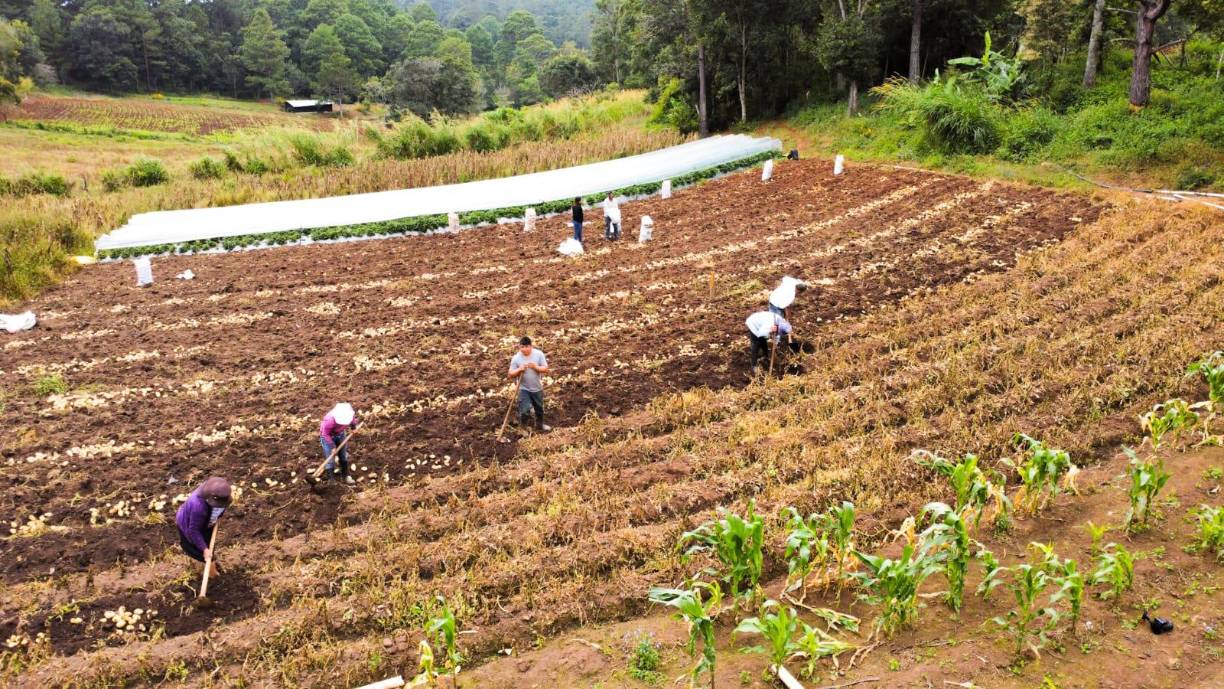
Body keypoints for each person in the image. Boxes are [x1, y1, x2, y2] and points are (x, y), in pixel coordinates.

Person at [175, 476, 231, 578]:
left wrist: (218, 517)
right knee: (200, 550)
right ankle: (212, 574)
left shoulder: (220, 493)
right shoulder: (198, 506)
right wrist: (204, 549)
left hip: (206, 522)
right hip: (189, 524)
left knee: (209, 545)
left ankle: (210, 566)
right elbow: (194, 531)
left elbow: (221, 508)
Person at [508, 336, 551, 432]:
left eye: (526, 347)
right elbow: (510, 374)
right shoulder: (516, 358)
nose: (524, 349)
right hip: (523, 388)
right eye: (522, 347)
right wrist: (519, 369)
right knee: (525, 410)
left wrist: (536, 367)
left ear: (531, 346)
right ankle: (523, 428)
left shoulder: (538, 354)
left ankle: (540, 425)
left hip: (537, 387)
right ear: (519, 347)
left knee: (539, 408)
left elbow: (546, 369)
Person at [320, 402, 360, 485]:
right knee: (330, 459)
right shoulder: (329, 420)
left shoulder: (349, 415)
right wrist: (332, 446)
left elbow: (352, 421)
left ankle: (346, 475)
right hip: (328, 437)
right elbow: (325, 434)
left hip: (340, 434)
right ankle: (331, 480)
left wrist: (354, 428)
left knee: (343, 456)